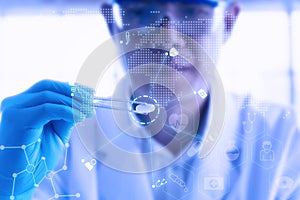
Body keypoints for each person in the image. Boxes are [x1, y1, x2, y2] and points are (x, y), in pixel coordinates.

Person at [0, 0, 300, 199]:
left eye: (193, 12)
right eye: (141, 11)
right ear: (112, 23)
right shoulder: (59, 144)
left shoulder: (287, 138)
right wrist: (9, 189)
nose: (167, 39)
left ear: (228, 22)